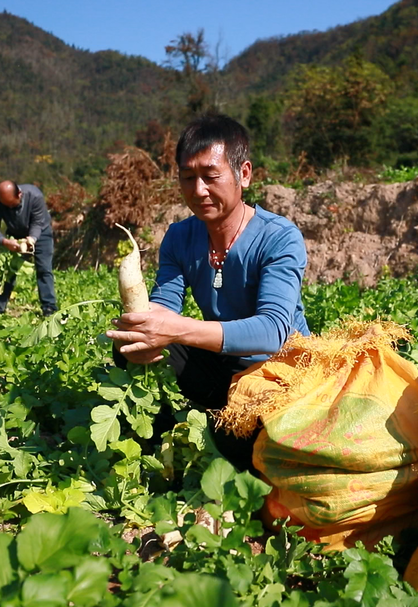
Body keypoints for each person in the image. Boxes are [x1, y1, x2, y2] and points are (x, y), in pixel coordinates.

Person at [106, 114, 309, 472]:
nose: (198, 190)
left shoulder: (279, 237)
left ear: (243, 174)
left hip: (283, 374)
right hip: (225, 369)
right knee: (133, 341)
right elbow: (163, 309)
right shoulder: (180, 237)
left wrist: (174, 329)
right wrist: (141, 334)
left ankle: (230, 439)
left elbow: (273, 332)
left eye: (210, 177)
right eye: (188, 178)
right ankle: (162, 449)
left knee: (244, 440)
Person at [0, 180, 57, 316]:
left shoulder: (35, 196)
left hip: (41, 232)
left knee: (44, 269)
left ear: (19, 194)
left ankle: (49, 307)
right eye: (6, 206)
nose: (10, 208)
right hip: (14, 235)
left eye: (12, 205)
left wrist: (32, 239)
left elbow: (38, 222)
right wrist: (5, 242)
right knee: (7, 271)